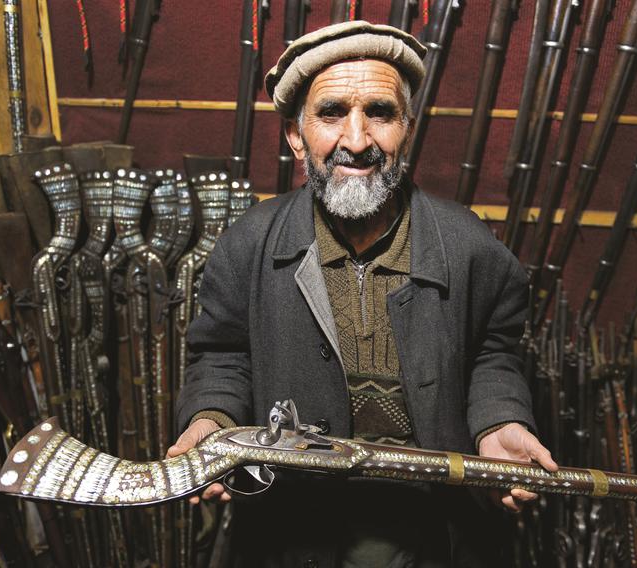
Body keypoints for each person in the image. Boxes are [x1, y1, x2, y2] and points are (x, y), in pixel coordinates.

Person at [168, 20, 558, 567]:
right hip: (293, 529)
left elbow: (494, 352)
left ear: (408, 127)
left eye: (380, 112)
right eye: (331, 113)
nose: (356, 140)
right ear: (296, 134)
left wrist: (500, 424)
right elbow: (223, 356)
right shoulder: (248, 244)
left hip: (432, 528)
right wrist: (213, 421)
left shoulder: (469, 245)